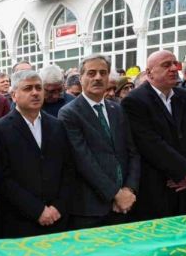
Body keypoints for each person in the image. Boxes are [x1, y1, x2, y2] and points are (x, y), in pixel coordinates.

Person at [122, 50, 186, 220]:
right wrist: (184, 170)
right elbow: (150, 143)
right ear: (149, 73)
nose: (173, 68)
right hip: (158, 187)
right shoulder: (134, 101)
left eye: (174, 64)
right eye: (166, 65)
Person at [58, 54, 139, 229]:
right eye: (91, 73)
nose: (98, 77)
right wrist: (115, 194)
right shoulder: (69, 113)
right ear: (81, 78)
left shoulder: (117, 109)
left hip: (125, 205)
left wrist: (129, 189)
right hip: (90, 209)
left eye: (103, 73)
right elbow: (84, 161)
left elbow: (132, 152)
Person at [0, 70, 75, 237]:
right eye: (28, 88)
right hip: (21, 221)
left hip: (57, 218)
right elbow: (3, 177)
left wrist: (57, 207)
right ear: (14, 95)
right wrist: (37, 210)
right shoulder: (1, 129)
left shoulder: (57, 125)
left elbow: (68, 169)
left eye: (38, 88)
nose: (35, 93)